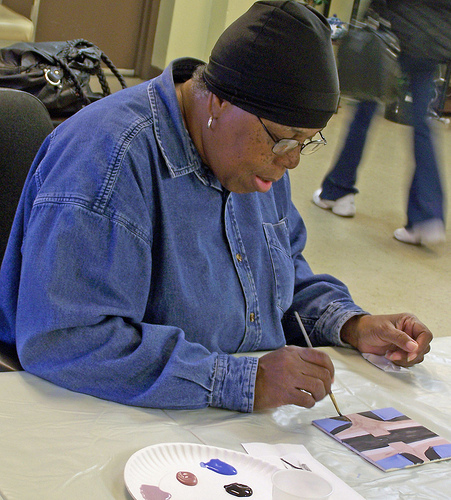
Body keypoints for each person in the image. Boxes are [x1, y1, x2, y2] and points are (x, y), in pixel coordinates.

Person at [0, 1, 432, 413]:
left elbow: (280, 277)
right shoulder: (107, 160)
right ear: (220, 102)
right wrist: (240, 380)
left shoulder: (257, 158)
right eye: (284, 138)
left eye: (306, 142)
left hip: (224, 417)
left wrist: (351, 324)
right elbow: (66, 339)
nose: (292, 160)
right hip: (116, 415)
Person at [313, 0, 451, 245]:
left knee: (365, 108)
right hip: (434, 40)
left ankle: (338, 191)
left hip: (395, 30)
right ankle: (426, 216)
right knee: (422, 126)